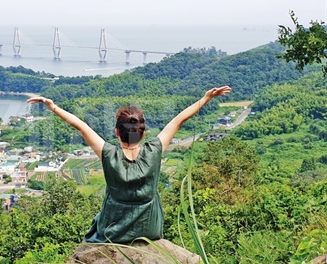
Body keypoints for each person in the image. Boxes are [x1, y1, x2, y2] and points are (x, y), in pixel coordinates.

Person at [27, 86, 231, 244]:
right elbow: (178, 121)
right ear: (142, 133)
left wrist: (52, 106)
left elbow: (80, 125)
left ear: (117, 132)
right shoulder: (154, 151)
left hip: (113, 229)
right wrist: (206, 99)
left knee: (96, 224)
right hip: (149, 228)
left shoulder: (108, 153)